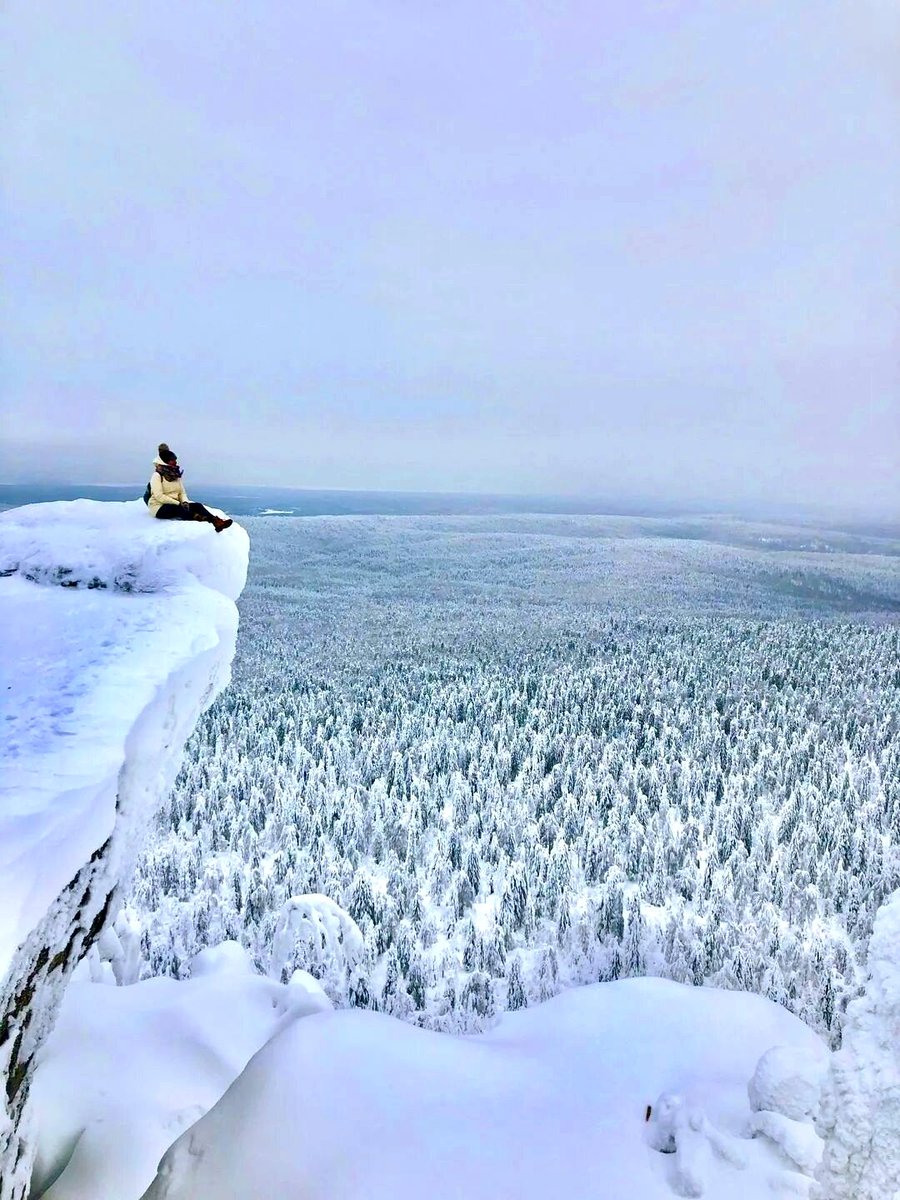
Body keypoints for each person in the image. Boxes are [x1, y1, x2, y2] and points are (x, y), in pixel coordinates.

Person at [147, 443, 233, 532]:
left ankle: (217, 522)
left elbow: (181, 492)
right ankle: (203, 518)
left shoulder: (175, 476)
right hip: (159, 507)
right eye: (172, 460)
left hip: (175, 504)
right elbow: (159, 496)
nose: (175, 462)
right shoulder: (157, 476)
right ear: (165, 462)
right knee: (178, 509)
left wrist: (184, 502)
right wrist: (178, 503)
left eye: (175, 460)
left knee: (197, 506)